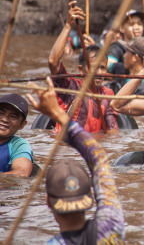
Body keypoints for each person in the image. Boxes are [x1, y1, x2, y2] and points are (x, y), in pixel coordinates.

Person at [26, 78, 125, 244]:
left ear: (48, 202)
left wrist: (57, 115)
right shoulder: (111, 227)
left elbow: (98, 157)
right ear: (91, 197)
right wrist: (58, 115)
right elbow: (98, 156)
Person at [48, 1, 118, 134]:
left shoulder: (108, 94)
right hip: (67, 148)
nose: (99, 73)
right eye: (94, 67)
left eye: (103, 68)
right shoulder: (70, 86)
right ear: (81, 70)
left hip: (89, 149)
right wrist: (68, 25)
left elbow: (112, 131)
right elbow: (53, 61)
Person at [0, 93, 33, 177]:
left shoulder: (18, 145)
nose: (4, 119)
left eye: (13, 116)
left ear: (22, 124)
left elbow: (22, 173)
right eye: (1, 113)